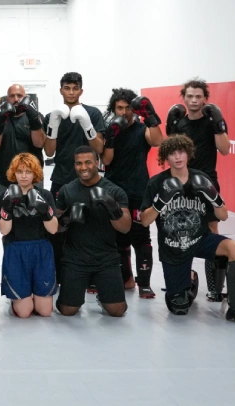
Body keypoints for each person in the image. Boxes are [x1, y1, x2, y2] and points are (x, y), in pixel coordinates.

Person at [139, 136, 235, 323]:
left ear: (188, 153)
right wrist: (160, 202)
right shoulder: (156, 183)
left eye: (181, 152)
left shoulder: (200, 178)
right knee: (178, 307)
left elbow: (223, 215)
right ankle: (190, 279)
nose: (178, 157)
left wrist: (213, 197)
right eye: (172, 153)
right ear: (165, 158)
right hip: (172, 248)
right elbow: (145, 221)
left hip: (200, 239)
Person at [165, 78, 232, 302]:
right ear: (183, 98)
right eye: (190, 96)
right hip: (181, 181)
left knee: (211, 229)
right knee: (178, 229)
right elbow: (171, 153)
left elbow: (225, 150)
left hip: (207, 181)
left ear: (205, 99)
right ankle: (182, 280)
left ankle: (215, 288)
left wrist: (218, 125)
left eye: (198, 97)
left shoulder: (212, 121)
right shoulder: (180, 123)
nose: (194, 100)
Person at [42, 73, 106, 290]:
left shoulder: (94, 113)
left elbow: (99, 148)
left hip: (89, 180)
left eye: (74, 88)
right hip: (61, 179)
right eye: (66, 88)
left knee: (90, 228)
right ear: (60, 90)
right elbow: (49, 150)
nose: (70, 92)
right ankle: (60, 276)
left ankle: (93, 276)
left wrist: (86, 123)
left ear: (81, 90)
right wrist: (53, 125)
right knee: (58, 230)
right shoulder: (52, 115)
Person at [100, 88, 163, 298]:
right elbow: (106, 161)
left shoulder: (142, 128)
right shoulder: (111, 128)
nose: (124, 111)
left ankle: (144, 283)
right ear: (113, 108)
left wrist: (151, 117)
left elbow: (157, 142)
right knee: (115, 237)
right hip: (114, 189)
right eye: (120, 107)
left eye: (128, 107)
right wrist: (110, 137)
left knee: (141, 235)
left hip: (138, 188)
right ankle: (124, 278)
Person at [54, 146, 130, 317]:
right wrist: (66, 217)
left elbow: (125, 227)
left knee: (117, 311)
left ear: (97, 162)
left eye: (88, 162)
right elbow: (56, 228)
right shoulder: (67, 190)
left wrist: (111, 205)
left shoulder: (114, 190)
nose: (83, 167)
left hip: (106, 258)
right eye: (79, 163)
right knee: (67, 310)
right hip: (75, 259)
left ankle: (104, 296)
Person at [0, 153, 58, 317]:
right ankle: (21, 298)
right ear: (14, 173)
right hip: (16, 249)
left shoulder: (45, 196)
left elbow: (53, 229)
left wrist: (45, 211)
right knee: (24, 313)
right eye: (20, 171)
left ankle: (31, 294)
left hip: (41, 248)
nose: (24, 176)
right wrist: (7, 209)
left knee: (45, 311)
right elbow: (4, 230)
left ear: (35, 173)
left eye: (28, 172)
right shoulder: (5, 196)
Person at [0, 84, 46, 204]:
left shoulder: (37, 116)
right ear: (6, 98)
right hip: (3, 180)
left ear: (25, 97)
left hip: (33, 180)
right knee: (2, 219)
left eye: (20, 95)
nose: (16, 99)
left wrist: (33, 118)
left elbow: (39, 143)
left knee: (34, 218)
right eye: (12, 96)